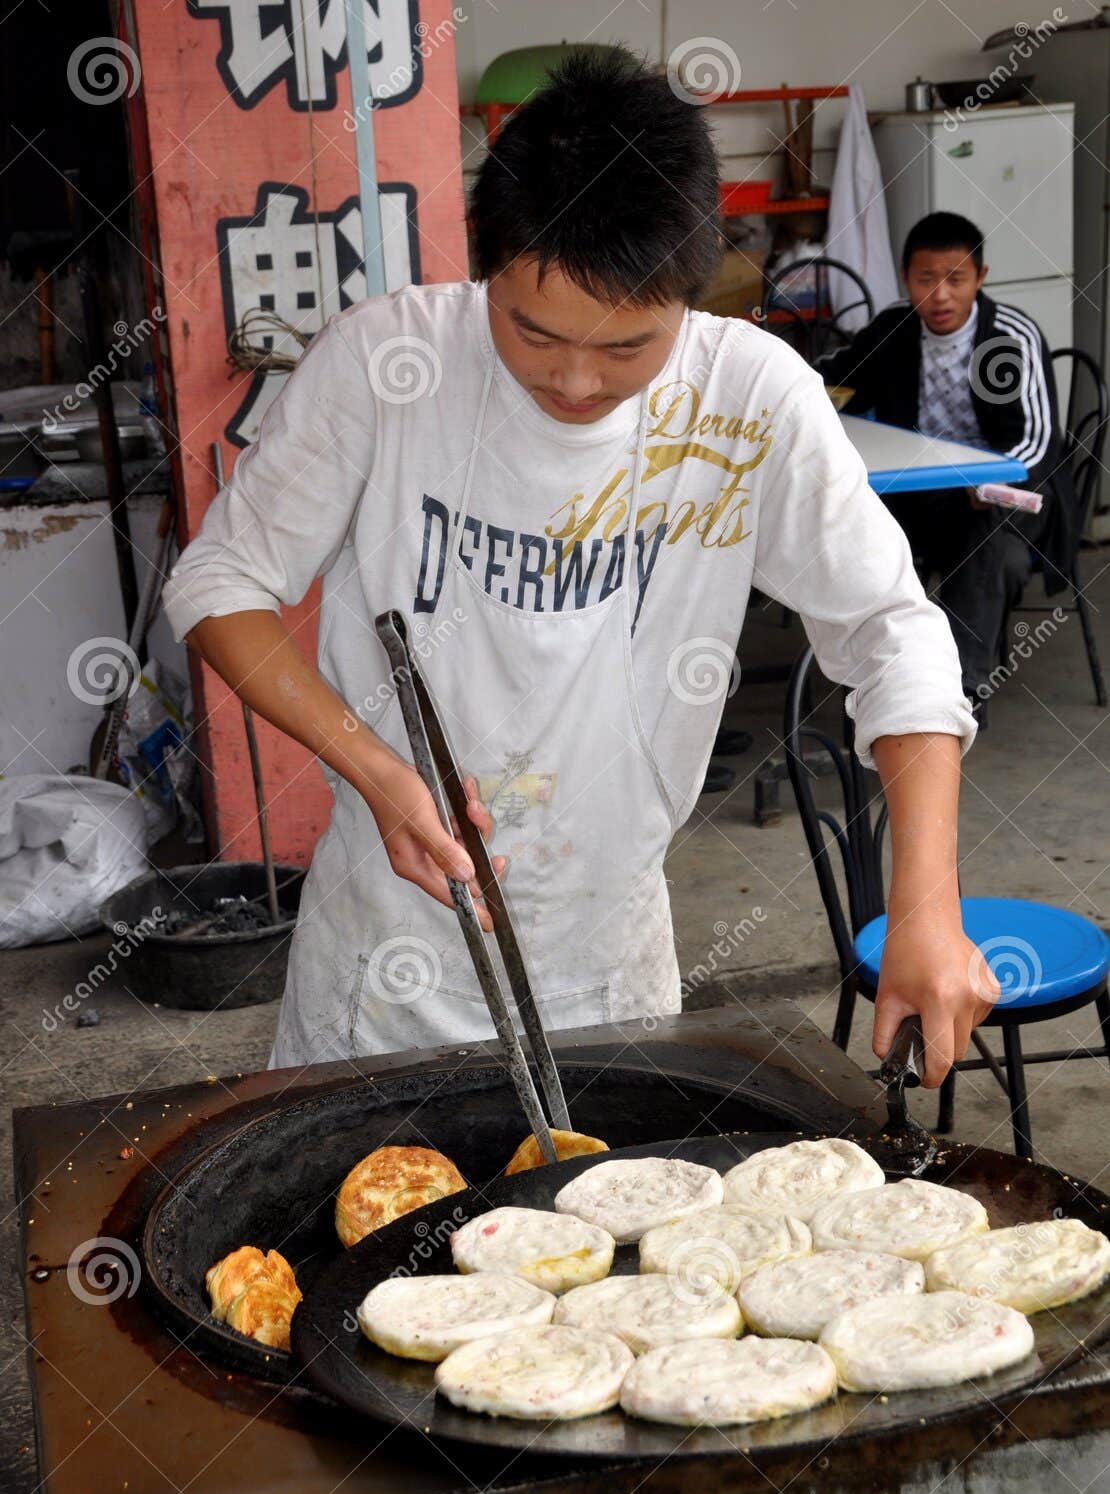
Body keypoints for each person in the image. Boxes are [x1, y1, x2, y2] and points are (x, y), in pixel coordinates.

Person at [163, 51, 995, 1087]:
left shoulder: (747, 398)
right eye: (532, 331)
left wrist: (925, 907)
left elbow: (894, 632)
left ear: (694, 300)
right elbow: (216, 587)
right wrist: (377, 771)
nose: (570, 379)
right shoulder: (386, 368)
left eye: (624, 350)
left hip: (612, 969)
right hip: (382, 968)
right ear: (486, 268)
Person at [818, 211, 1077, 706]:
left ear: (981, 278)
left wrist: (989, 483)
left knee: (980, 537)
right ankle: (885, 676)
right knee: (860, 529)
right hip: (918, 495)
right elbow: (829, 377)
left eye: (956, 279)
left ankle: (959, 690)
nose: (940, 295)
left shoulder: (1010, 337)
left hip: (1009, 502)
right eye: (926, 279)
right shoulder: (894, 329)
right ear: (905, 278)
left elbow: (1040, 441)